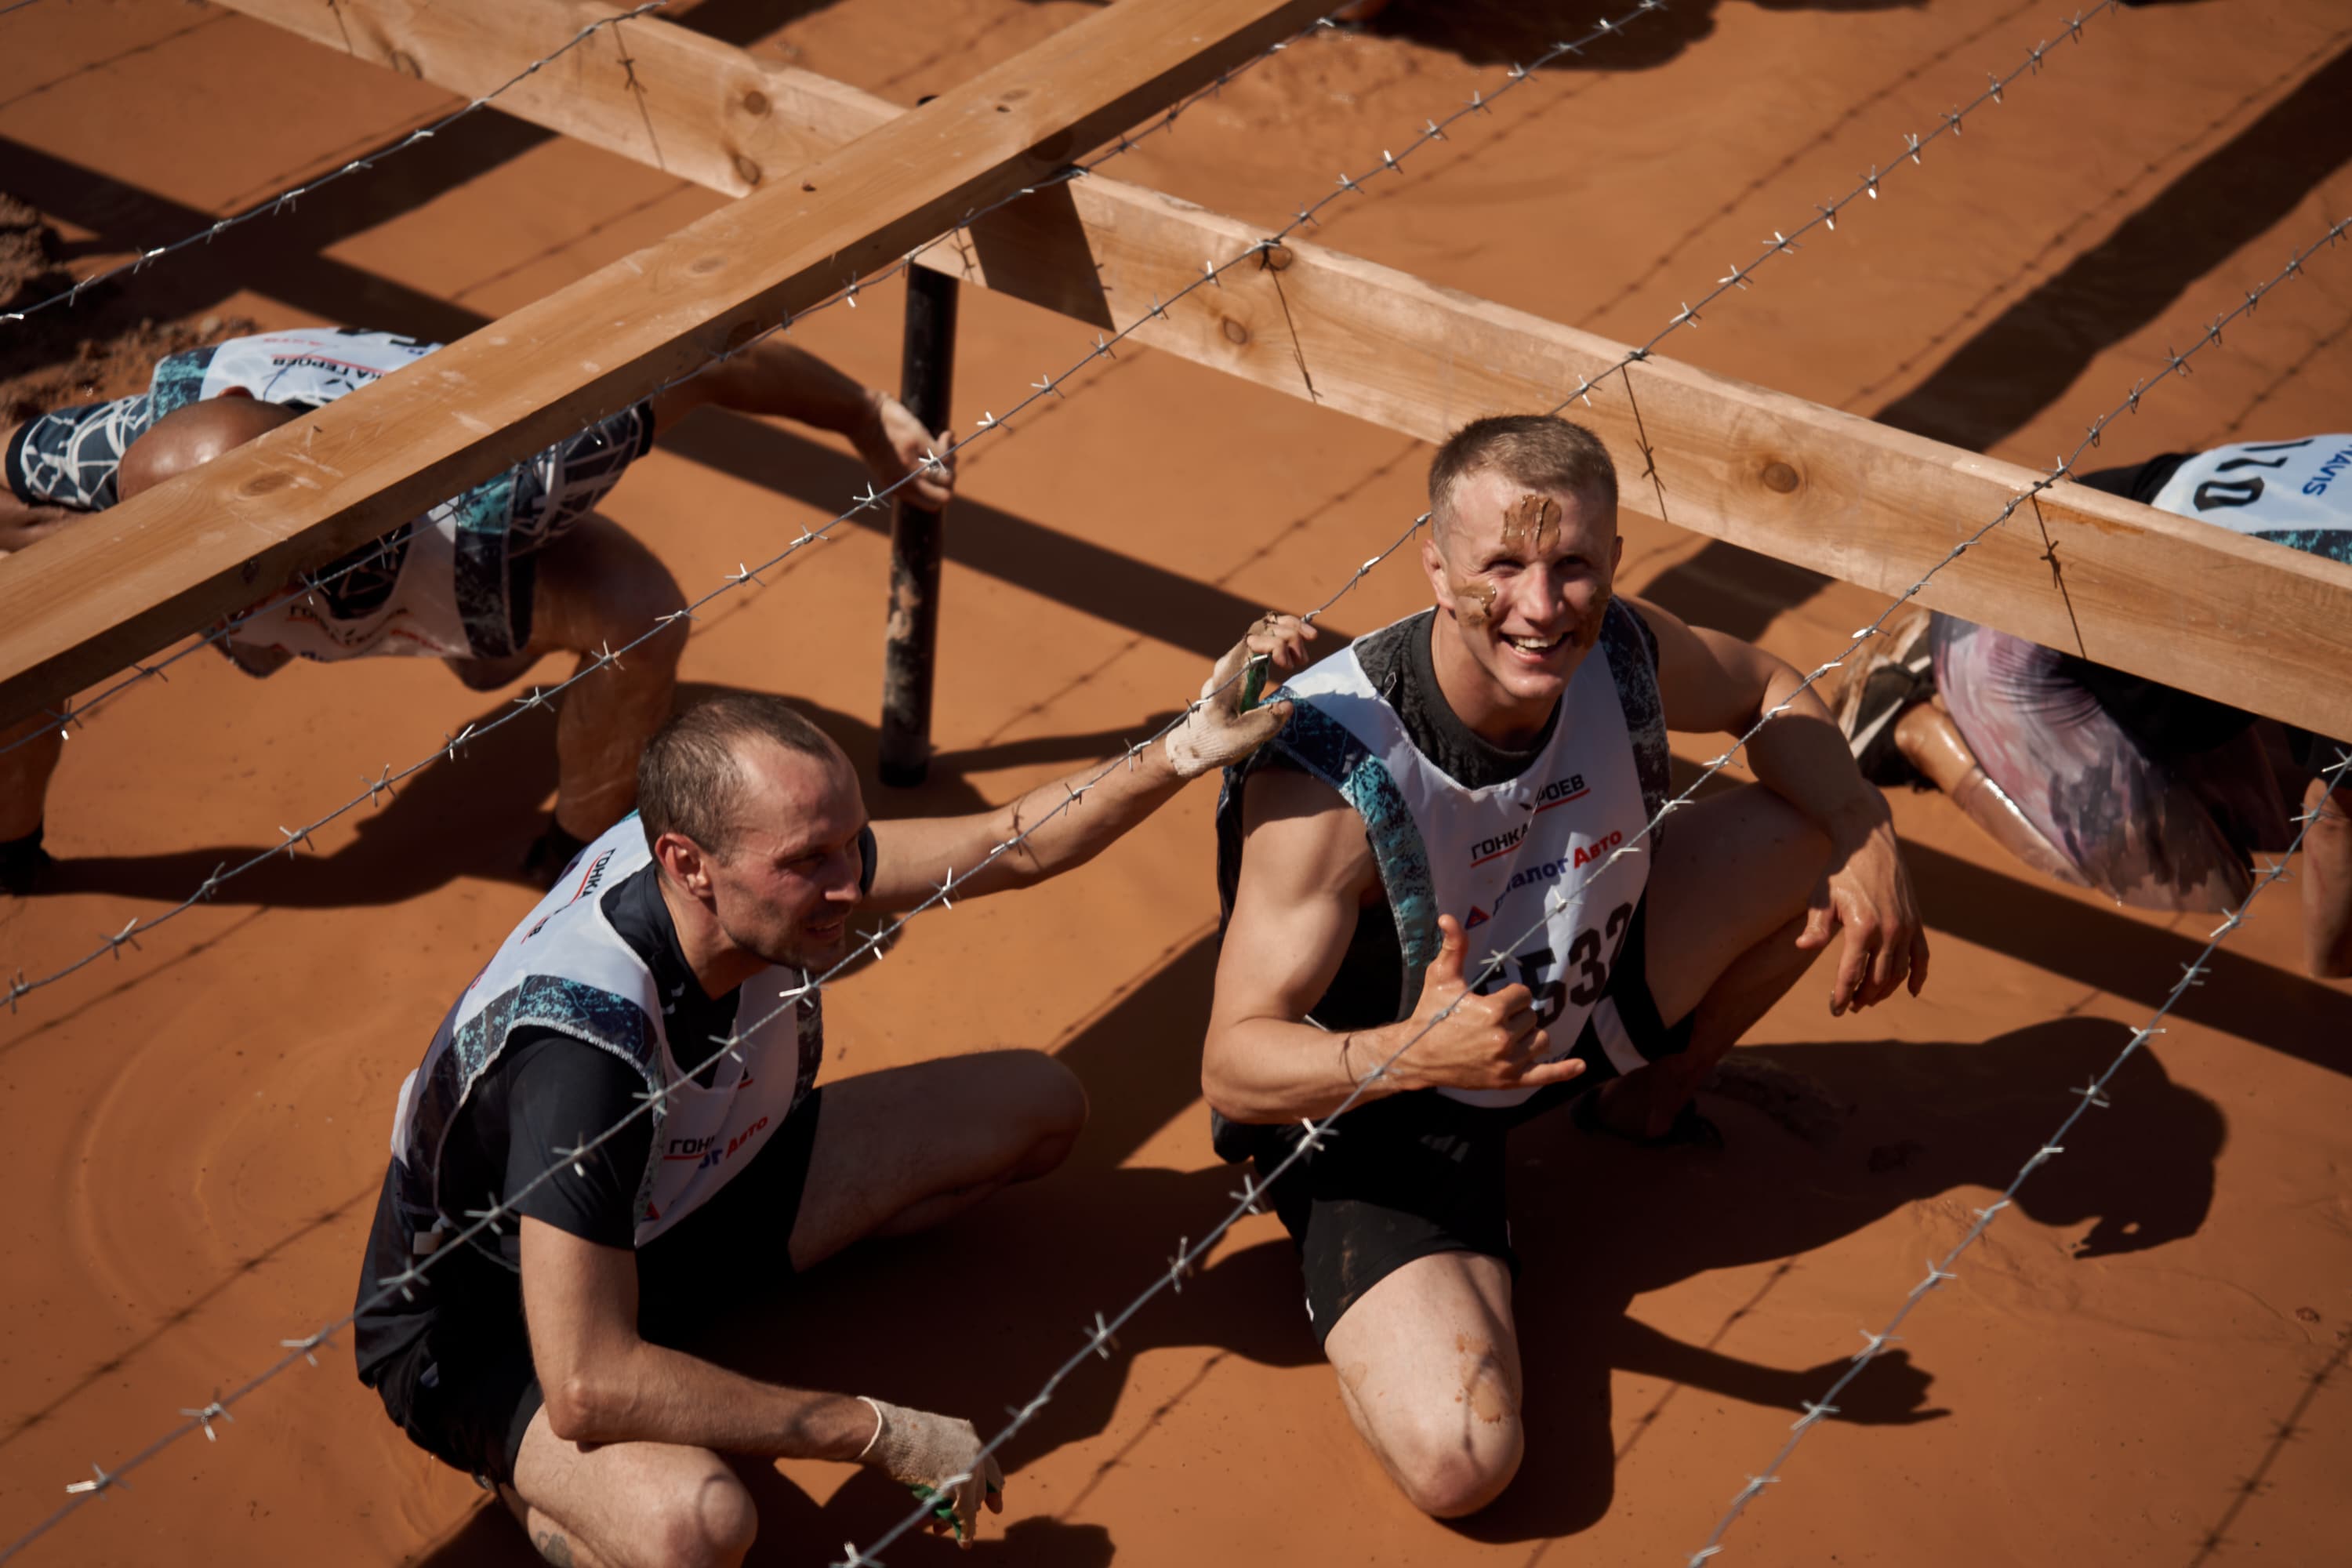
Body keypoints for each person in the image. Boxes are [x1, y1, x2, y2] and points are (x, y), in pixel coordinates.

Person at [353, 612, 1316, 1566]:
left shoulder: (750, 865)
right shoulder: (581, 1058)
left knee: (1037, 1107)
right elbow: (588, 1382)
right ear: (687, 864)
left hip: (678, 1202)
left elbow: (1011, 841)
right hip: (499, 1325)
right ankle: (531, 1481)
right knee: (696, 1527)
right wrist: (878, 1429)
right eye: (809, 861)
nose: (852, 886)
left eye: (851, 842)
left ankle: (673, 1337)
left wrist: (1182, 748)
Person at [1200, 414, 1929, 1517]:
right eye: (1502, 564)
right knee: (1464, 1461)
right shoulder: (1331, 770)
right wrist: (1413, 1054)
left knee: (1807, 832)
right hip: (1381, 1113)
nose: (1542, 607)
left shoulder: (1623, 647)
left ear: (1614, 562)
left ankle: (1644, 1102)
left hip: (1562, 1001)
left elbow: (1766, 684)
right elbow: (1232, 1066)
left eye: (1573, 565)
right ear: (1436, 568)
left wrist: (1863, 823)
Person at [0, 324, 954, 893]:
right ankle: (9, 842)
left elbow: (704, 356)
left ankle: (577, 846)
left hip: (452, 545)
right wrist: (78, 566)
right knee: (28, 614)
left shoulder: (519, 471)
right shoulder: (110, 457)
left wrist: (862, 412)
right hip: (251, 540)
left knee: (637, 613)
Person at [1833, 434, 2352, 978]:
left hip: (2069, 547)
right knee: (2198, 880)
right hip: (2015, 648)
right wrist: (2332, 967)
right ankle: (1914, 723)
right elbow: (2337, 817)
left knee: (2268, 823)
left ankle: (1959, 656)